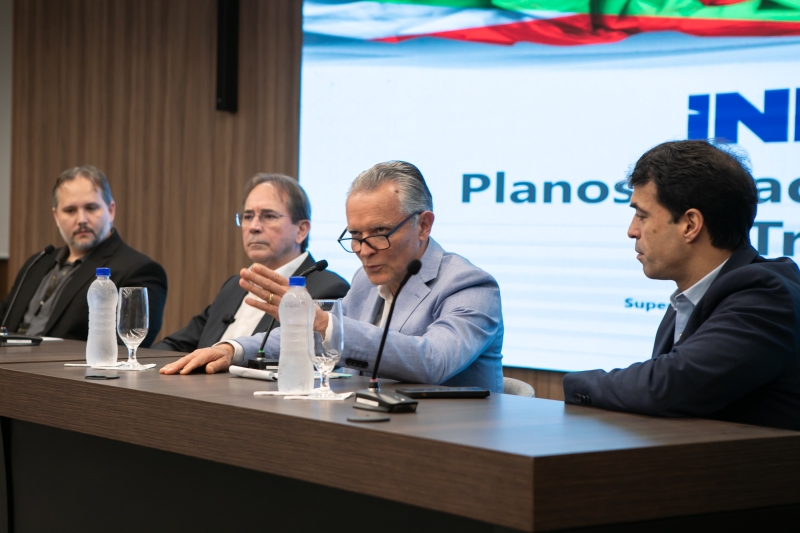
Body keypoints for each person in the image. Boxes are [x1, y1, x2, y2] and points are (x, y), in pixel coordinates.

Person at [161, 162, 504, 392]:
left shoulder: (469, 285)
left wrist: (324, 323)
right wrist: (233, 348)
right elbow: (314, 339)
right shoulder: (364, 280)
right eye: (354, 235)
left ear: (424, 225)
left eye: (380, 232)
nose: (363, 250)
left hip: (447, 441)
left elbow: (433, 361)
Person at [563, 140, 800, 431]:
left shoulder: (765, 295)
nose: (632, 230)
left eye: (642, 215)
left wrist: (574, 383)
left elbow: (666, 387)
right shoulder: (692, 297)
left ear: (690, 225)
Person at [152, 173, 350, 353]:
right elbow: (180, 343)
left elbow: (306, 356)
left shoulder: (328, 288)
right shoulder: (234, 285)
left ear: (301, 230)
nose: (254, 227)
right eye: (247, 217)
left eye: (269, 216)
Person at [0, 165, 168, 347]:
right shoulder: (38, 262)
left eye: (91, 208)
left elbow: (127, 347)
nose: (81, 219)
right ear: (56, 216)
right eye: (70, 210)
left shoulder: (139, 270)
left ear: (111, 210)